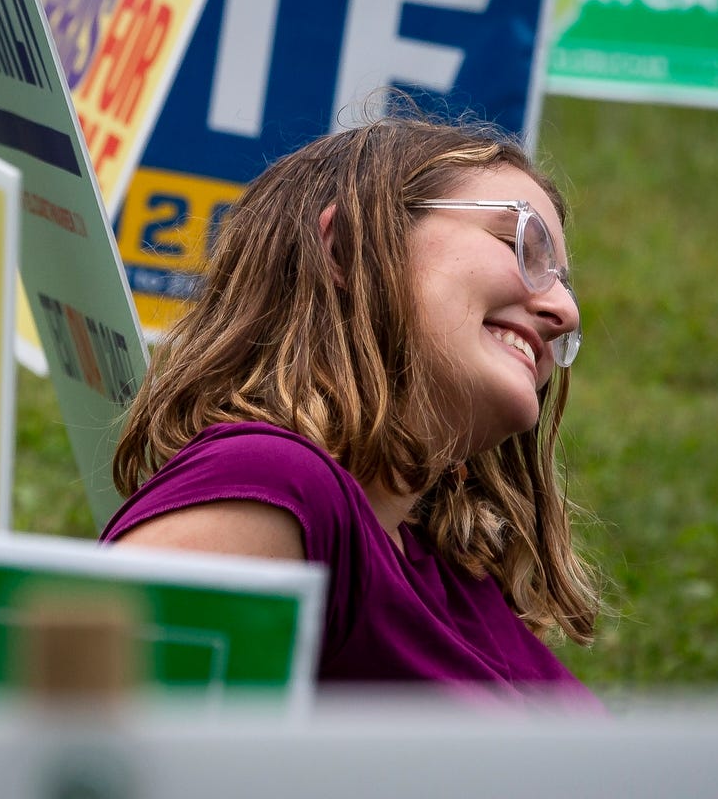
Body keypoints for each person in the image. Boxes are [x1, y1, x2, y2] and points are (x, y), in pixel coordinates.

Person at [104, 115, 600, 699]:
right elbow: (102, 760)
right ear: (345, 246)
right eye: (523, 244)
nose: (565, 311)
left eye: (563, 283)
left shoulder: (457, 574)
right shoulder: (272, 482)